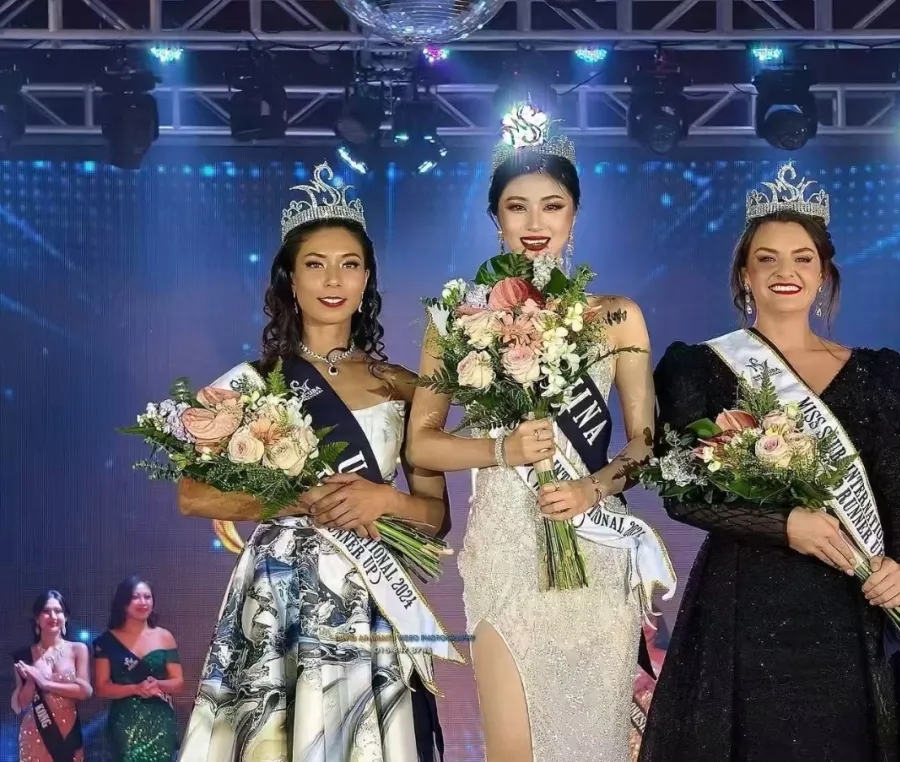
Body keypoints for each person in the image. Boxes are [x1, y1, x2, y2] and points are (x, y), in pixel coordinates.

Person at [639, 162, 900, 762]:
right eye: (767, 259)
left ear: (824, 274)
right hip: (744, 600)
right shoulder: (699, 367)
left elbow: (892, 484)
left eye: (802, 258)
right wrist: (786, 524)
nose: (786, 272)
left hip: (848, 600)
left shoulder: (875, 372)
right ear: (744, 275)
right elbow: (681, 493)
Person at [406, 106, 670, 762]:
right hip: (505, 554)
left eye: (552, 206)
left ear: (574, 216)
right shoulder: (459, 318)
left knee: (595, 746)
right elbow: (422, 444)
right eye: (516, 206)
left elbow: (645, 443)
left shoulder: (617, 316)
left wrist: (592, 489)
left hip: (594, 553)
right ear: (495, 217)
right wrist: (500, 449)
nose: (535, 223)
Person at [176, 162, 457, 762]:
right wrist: (295, 497)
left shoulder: (404, 386)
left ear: (366, 279)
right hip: (278, 596)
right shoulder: (252, 382)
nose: (333, 280)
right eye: (315, 264)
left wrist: (386, 500)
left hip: (370, 594)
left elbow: (436, 519)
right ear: (290, 280)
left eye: (349, 264)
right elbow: (193, 494)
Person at [93, 576, 183, 762]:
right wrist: (135, 689)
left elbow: (178, 682)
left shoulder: (165, 637)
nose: (143, 602)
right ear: (123, 602)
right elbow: (101, 687)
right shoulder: (106, 641)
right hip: (125, 724)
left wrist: (158, 684)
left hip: (161, 723)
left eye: (147, 597)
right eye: (136, 597)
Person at [10, 591, 91, 762]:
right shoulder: (24, 656)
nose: (53, 616)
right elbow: (23, 703)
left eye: (58, 611)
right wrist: (31, 680)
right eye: (46, 611)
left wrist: (45, 683)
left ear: (65, 617)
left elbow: (85, 691)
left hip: (68, 732)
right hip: (35, 732)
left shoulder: (78, 649)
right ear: (37, 618)